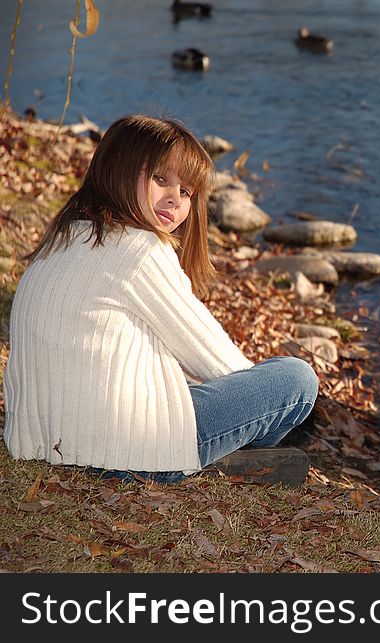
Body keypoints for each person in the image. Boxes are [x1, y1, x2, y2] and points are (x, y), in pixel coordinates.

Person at [3, 114, 319, 483]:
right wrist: (258, 398)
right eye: (160, 179)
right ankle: (223, 458)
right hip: (124, 451)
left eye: (186, 192)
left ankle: (220, 452)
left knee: (187, 385)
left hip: (41, 442)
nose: (175, 199)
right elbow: (221, 364)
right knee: (294, 379)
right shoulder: (139, 248)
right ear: (118, 171)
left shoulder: (63, 238)